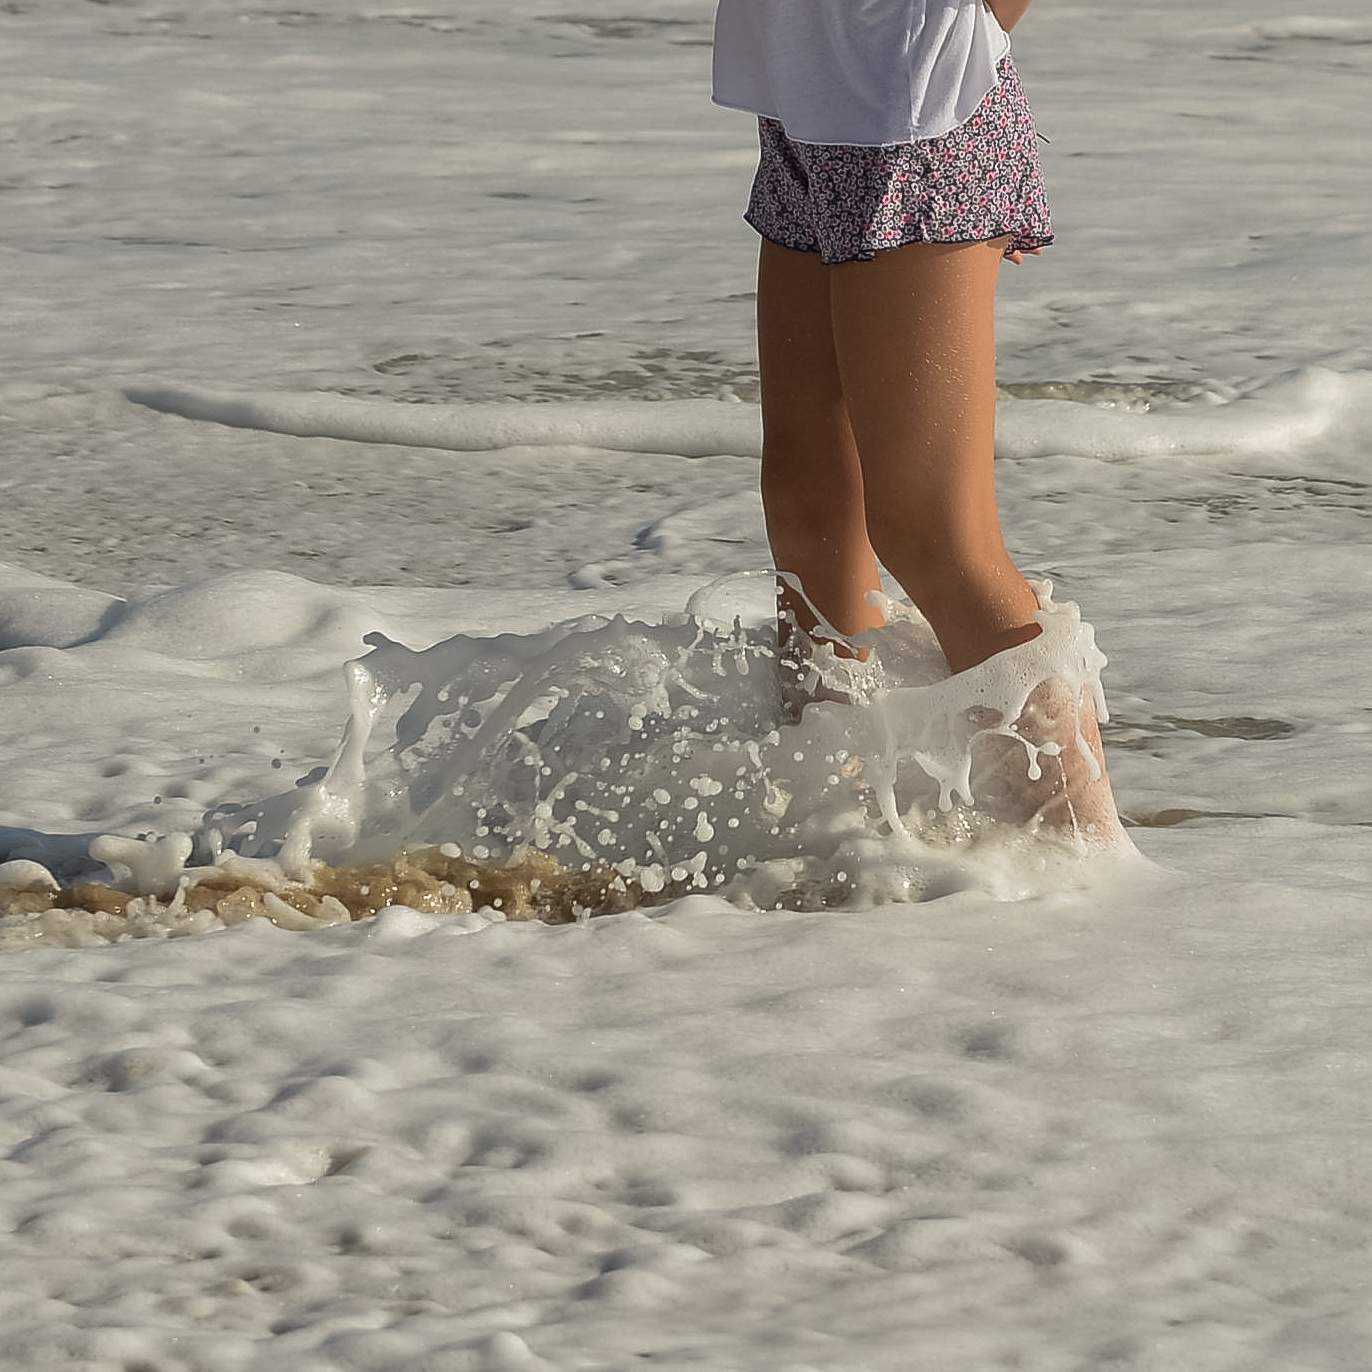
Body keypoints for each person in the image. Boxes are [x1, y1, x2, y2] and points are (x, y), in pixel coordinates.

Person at [712, 0, 1124, 838]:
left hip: (916, 109)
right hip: (803, 99)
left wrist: (966, 40)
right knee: (807, 505)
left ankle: (1085, 858)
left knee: (933, 534)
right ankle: (830, 830)